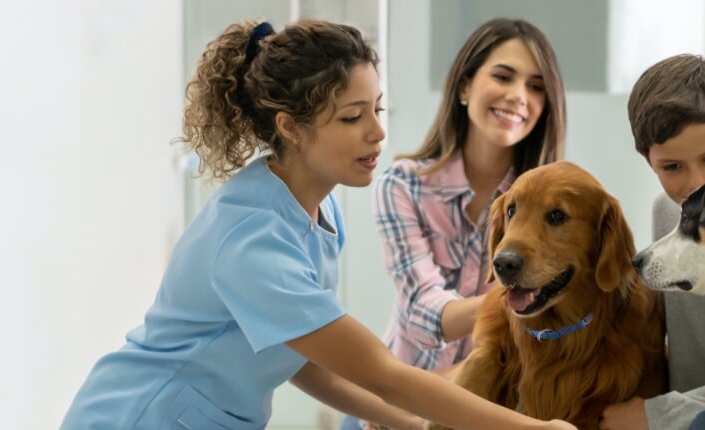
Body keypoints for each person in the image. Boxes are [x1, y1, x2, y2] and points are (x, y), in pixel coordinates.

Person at [60, 19, 574, 430]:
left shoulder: (317, 212)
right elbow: (385, 374)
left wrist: (406, 422)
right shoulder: (253, 239)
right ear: (291, 126)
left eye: (377, 108)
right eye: (353, 118)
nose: (378, 133)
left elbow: (301, 357)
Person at [344, 17, 566, 430]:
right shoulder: (403, 185)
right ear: (464, 86)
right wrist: (531, 294)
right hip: (388, 408)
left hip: (484, 411)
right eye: (503, 76)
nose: (519, 96)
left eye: (536, 87)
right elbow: (423, 313)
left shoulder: (554, 211)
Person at [599, 54, 705, 430]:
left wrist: (653, 415)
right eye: (673, 167)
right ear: (649, 160)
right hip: (684, 416)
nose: (697, 184)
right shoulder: (666, 211)